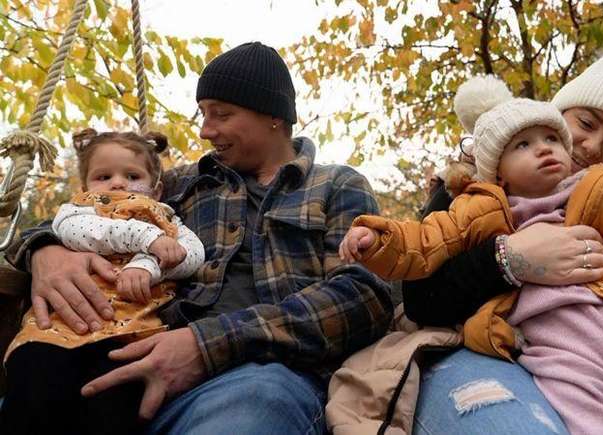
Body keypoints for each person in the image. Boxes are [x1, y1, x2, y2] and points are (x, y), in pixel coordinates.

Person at [339, 73, 603, 434]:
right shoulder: (474, 203)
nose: (587, 146)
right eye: (584, 123)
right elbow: (424, 246)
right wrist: (380, 240)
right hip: (563, 346)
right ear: (496, 170)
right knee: (585, 420)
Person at [4, 42, 393, 434]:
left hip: (259, 379)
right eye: (203, 113)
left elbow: (361, 297)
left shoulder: (337, 186)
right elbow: (93, 209)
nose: (206, 130)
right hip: (135, 361)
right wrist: (44, 249)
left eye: (221, 114)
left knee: (250, 415)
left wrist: (210, 343)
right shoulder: (181, 184)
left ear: (274, 116)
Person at [0, 128, 205, 434]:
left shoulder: (167, 219)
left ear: (157, 190)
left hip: (132, 335)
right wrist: (148, 239)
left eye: (133, 176)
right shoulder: (80, 210)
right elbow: (77, 231)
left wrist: (148, 266)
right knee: (35, 385)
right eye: (103, 176)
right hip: (60, 327)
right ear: (85, 186)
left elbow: (191, 253)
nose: (118, 183)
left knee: (111, 405)